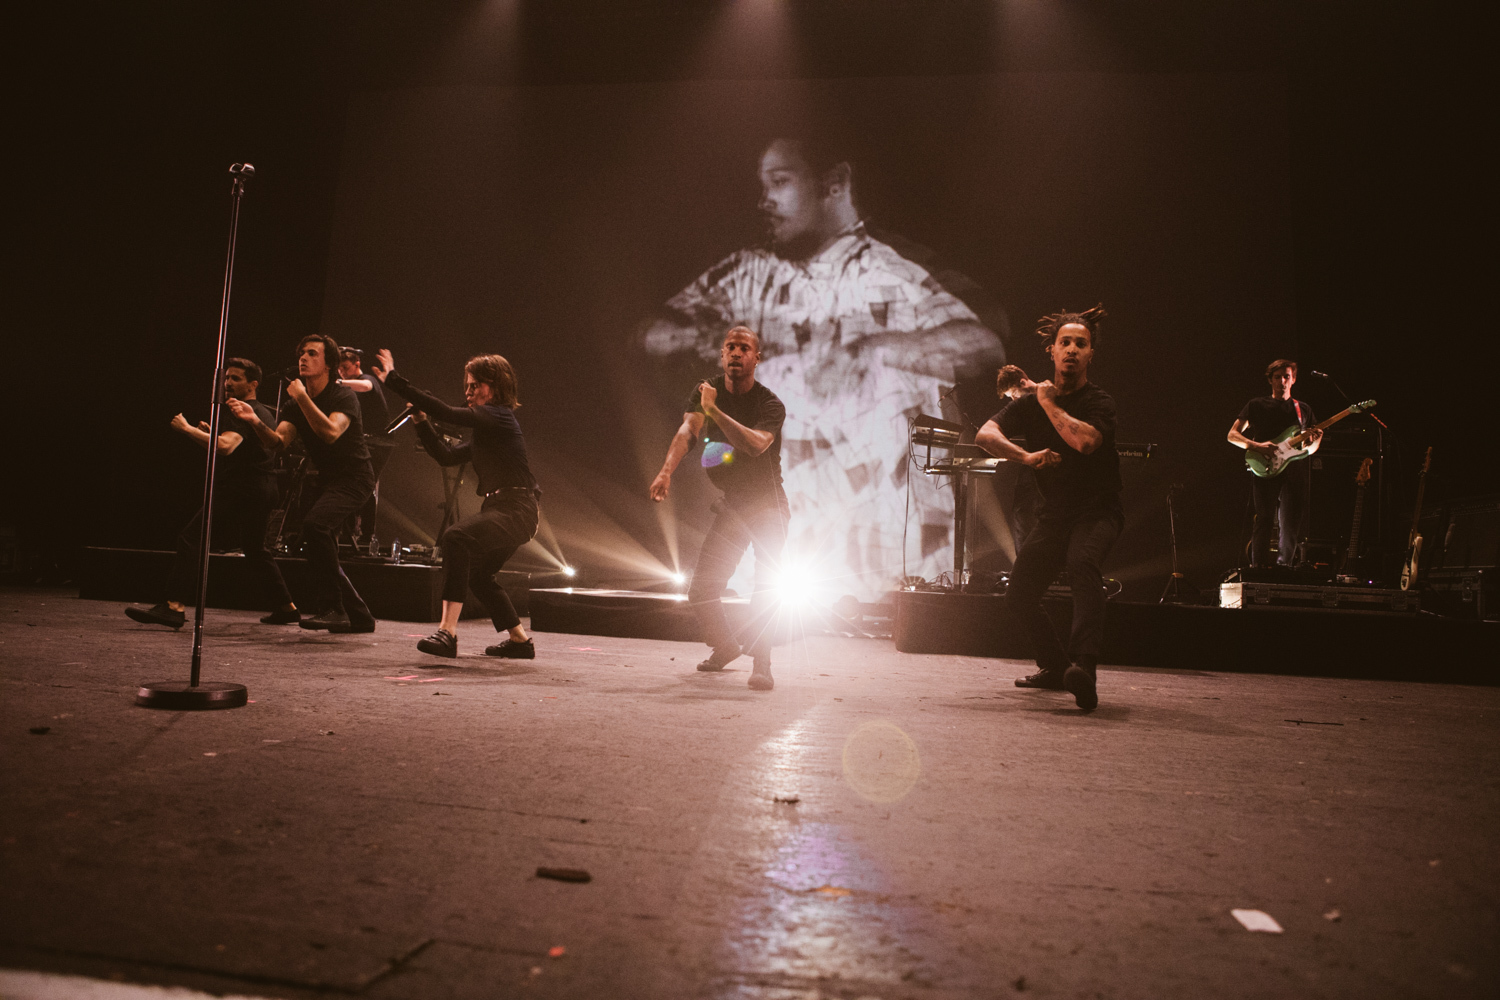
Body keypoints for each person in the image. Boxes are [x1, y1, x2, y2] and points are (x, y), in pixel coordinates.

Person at [641, 135, 1006, 601]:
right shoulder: (748, 273)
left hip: (883, 536)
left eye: (780, 181)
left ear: (834, 183)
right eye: (762, 184)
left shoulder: (886, 273)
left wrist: (873, 347)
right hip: (788, 511)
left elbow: (982, 344)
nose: (764, 199)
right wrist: (706, 337)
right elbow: (653, 333)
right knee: (755, 599)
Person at [975, 306, 1119, 712]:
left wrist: (1049, 404)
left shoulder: (1098, 401)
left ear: (1091, 354)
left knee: (1082, 563)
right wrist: (1026, 457)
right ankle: (1056, 667)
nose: (1072, 349)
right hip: (1057, 515)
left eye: (1081, 344)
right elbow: (985, 434)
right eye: (1065, 343)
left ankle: (1084, 669)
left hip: (1098, 511)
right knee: (1019, 593)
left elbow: (1087, 443)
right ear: (1051, 352)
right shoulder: (1028, 405)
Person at [375, 348, 541, 660]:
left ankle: (447, 633)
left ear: (493, 386)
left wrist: (396, 381)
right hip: (505, 509)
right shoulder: (486, 431)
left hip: (516, 509)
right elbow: (446, 457)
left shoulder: (500, 416)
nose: (467, 392)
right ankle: (520, 642)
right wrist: (421, 421)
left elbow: (449, 414)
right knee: (479, 576)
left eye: (474, 385)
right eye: (465, 386)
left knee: (455, 537)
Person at [650, 326, 788, 691]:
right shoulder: (705, 392)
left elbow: (756, 445)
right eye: (730, 347)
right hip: (734, 507)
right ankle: (726, 646)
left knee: (767, 587)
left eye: (745, 348)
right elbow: (687, 431)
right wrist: (666, 471)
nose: (736, 353)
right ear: (721, 355)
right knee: (702, 589)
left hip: (769, 507)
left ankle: (762, 662)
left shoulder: (769, 403)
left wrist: (716, 411)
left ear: (756, 358)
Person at [126, 359, 299, 628]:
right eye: (226, 377)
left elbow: (225, 447)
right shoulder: (261, 412)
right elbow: (242, 445)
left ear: (253, 385)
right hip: (263, 488)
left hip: (242, 489)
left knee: (192, 538)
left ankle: (173, 606)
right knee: (256, 549)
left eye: (236, 379)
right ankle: (286, 607)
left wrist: (188, 430)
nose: (228, 383)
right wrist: (210, 433)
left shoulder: (243, 411)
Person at [228, 335, 377, 633]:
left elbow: (331, 432)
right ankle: (359, 616)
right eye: (301, 354)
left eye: (312, 354)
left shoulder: (342, 396)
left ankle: (334, 608)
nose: (303, 359)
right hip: (328, 479)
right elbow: (279, 442)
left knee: (316, 527)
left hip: (355, 477)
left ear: (329, 364)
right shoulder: (296, 404)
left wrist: (302, 398)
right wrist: (255, 422)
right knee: (318, 538)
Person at [1227, 359, 1323, 569]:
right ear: (1270, 380)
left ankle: (1284, 567)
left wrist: (1315, 440)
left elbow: (1311, 450)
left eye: (1286, 376)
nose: (1282, 381)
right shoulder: (1256, 405)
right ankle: (1258, 567)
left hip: (1294, 469)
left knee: (1290, 522)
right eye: (1277, 377)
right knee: (1264, 518)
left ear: (1294, 379)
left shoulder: (1303, 409)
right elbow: (1232, 435)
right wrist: (1257, 446)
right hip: (1264, 467)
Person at [336, 347, 393, 554]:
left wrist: (340, 383)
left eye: (345, 367)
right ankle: (349, 532)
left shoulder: (367, 379)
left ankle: (367, 535)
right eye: (339, 369)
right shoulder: (347, 389)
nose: (341, 372)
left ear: (357, 364)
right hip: (364, 442)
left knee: (365, 484)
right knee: (352, 482)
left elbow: (366, 386)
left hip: (380, 442)